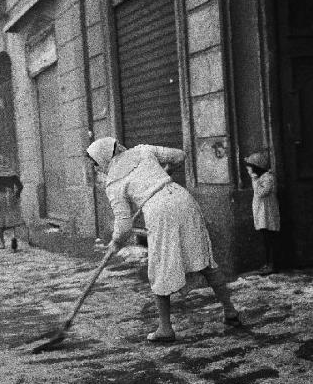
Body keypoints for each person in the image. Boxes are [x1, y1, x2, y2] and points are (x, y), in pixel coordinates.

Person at [86, 137, 241, 343]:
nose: (96, 169)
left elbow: (124, 226)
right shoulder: (143, 150)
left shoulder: (113, 184)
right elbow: (180, 155)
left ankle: (165, 328)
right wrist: (165, 172)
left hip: (159, 212)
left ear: (103, 158)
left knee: (160, 266)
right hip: (182, 198)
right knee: (203, 258)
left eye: (95, 164)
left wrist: (116, 242)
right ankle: (230, 311)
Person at [244, 150, 280, 274]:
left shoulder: (268, 178)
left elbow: (261, 193)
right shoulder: (261, 178)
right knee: (265, 239)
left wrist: (254, 180)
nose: (248, 170)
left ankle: (272, 264)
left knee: (270, 238)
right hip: (262, 212)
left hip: (268, 213)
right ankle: (268, 263)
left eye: (250, 168)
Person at [0, 154, 23, 250]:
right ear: (5, 162)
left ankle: (2, 243)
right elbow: (20, 186)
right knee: (12, 218)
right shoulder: (11, 172)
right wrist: (16, 195)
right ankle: (14, 239)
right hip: (10, 197)